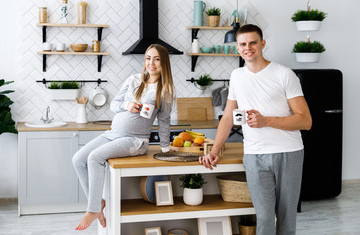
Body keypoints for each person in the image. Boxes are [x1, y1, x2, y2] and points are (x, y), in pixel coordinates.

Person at [199, 24, 312, 235]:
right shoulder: (237, 76)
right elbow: (227, 118)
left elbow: (305, 121)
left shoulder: (284, 74)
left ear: (262, 44)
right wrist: (214, 150)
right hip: (254, 155)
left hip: (288, 152)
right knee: (265, 217)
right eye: (242, 44)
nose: (247, 47)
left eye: (252, 42)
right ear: (237, 48)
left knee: (287, 217)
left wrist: (265, 121)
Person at [72, 44, 175, 230]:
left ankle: (92, 209)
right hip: (113, 134)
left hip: (135, 141)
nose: (151, 62)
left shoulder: (165, 90)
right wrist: (127, 105)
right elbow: (114, 104)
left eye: (157, 59)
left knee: (95, 158)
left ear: (164, 62)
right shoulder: (134, 79)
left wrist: (166, 149)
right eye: (148, 58)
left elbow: (164, 122)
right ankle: (98, 204)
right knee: (78, 159)